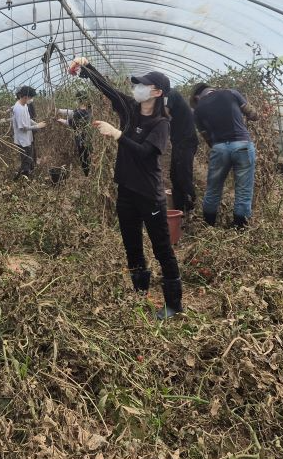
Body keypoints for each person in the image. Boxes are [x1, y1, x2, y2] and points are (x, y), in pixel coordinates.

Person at [69, 57, 182, 320]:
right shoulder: (130, 109)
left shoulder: (161, 124)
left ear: (157, 92)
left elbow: (146, 153)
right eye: (137, 85)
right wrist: (86, 67)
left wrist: (117, 134)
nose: (137, 89)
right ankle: (139, 294)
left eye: (144, 85)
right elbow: (106, 88)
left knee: (162, 247)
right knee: (131, 245)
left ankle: (174, 304)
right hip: (127, 192)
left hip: (149, 196)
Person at [191, 82, 259, 230]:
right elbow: (253, 115)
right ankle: (240, 228)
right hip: (242, 145)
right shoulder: (231, 93)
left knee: (213, 189)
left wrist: (219, 146)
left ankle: (208, 226)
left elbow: (206, 137)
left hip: (219, 148)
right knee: (243, 190)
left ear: (198, 96)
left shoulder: (197, 110)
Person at [165, 88, 198, 216]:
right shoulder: (168, 97)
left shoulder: (170, 94)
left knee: (183, 176)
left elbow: (164, 114)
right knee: (175, 176)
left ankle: (191, 209)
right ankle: (180, 211)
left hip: (186, 142)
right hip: (179, 142)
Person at [11, 86, 46, 178]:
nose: (31, 100)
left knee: (29, 158)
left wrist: (37, 124)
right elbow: (22, 127)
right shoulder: (18, 109)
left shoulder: (24, 105)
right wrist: (37, 126)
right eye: (31, 97)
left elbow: (28, 119)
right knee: (26, 160)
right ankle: (23, 179)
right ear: (25, 97)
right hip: (22, 139)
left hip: (27, 137)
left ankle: (24, 175)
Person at [56, 92, 92, 176]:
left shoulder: (80, 112)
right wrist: (59, 110)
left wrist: (62, 121)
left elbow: (73, 123)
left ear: (79, 100)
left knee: (84, 157)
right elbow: (72, 112)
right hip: (88, 137)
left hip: (82, 138)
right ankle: (88, 172)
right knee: (87, 155)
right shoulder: (88, 109)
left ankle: (87, 174)